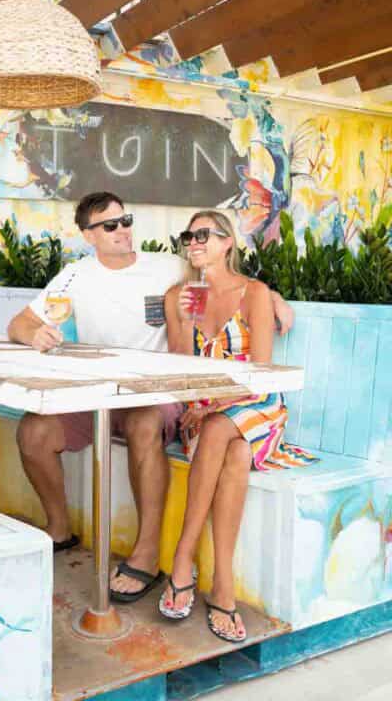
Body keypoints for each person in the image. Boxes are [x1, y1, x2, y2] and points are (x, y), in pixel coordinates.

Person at [8, 192, 295, 603]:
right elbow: (19, 323)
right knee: (34, 430)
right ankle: (60, 530)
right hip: (98, 392)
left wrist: (270, 298)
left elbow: (218, 277)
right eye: (110, 225)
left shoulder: (165, 266)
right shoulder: (74, 276)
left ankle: (149, 556)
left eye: (126, 220)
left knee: (146, 422)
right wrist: (32, 333)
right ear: (89, 235)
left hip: (155, 396)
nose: (123, 230)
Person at [160, 210, 317, 641]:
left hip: (255, 404)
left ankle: (182, 558)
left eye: (204, 234)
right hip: (206, 413)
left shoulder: (255, 294)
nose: (194, 242)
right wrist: (188, 322)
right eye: (188, 236)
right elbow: (178, 366)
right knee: (232, 451)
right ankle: (222, 585)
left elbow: (262, 373)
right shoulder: (180, 295)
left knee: (219, 430)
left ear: (228, 242)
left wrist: (212, 407)